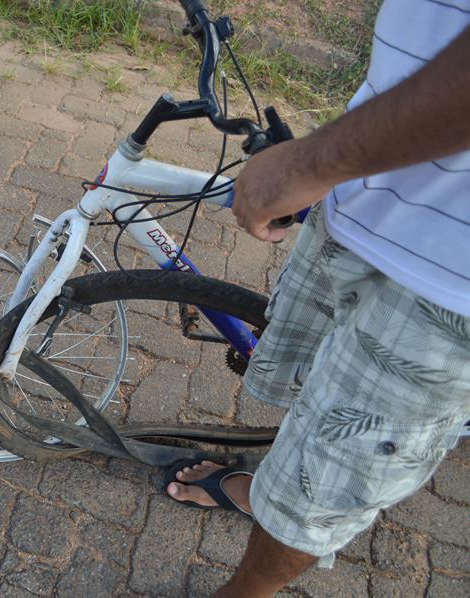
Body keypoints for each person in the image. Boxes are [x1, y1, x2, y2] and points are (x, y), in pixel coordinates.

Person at [165, 1, 470, 595]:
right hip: (368, 199)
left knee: (324, 492)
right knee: (317, 407)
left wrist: (309, 161)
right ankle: (266, 489)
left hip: (446, 280)